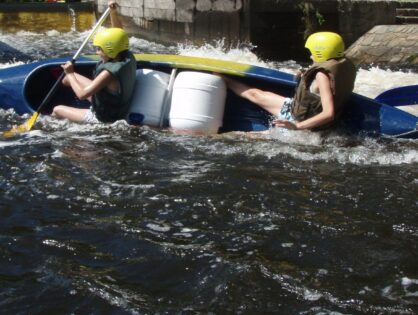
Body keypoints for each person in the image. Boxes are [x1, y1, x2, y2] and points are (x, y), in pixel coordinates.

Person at [223, 32, 357, 131]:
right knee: (254, 94)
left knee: (247, 136)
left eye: (312, 52)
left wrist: (296, 126)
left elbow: (329, 114)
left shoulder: (322, 75)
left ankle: (222, 80)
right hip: (296, 109)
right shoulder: (342, 65)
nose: (310, 55)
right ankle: (224, 79)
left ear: (321, 52)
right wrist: (305, 73)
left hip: (300, 122)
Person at [52, 0, 136, 124]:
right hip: (112, 103)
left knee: (57, 109)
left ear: (110, 50)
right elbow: (119, 33)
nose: (97, 52)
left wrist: (70, 73)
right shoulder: (125, 54)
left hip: (104, 117)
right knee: (66, 79)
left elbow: (82, 95)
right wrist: (113, 12)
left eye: (99, 49)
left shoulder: (107, 73)